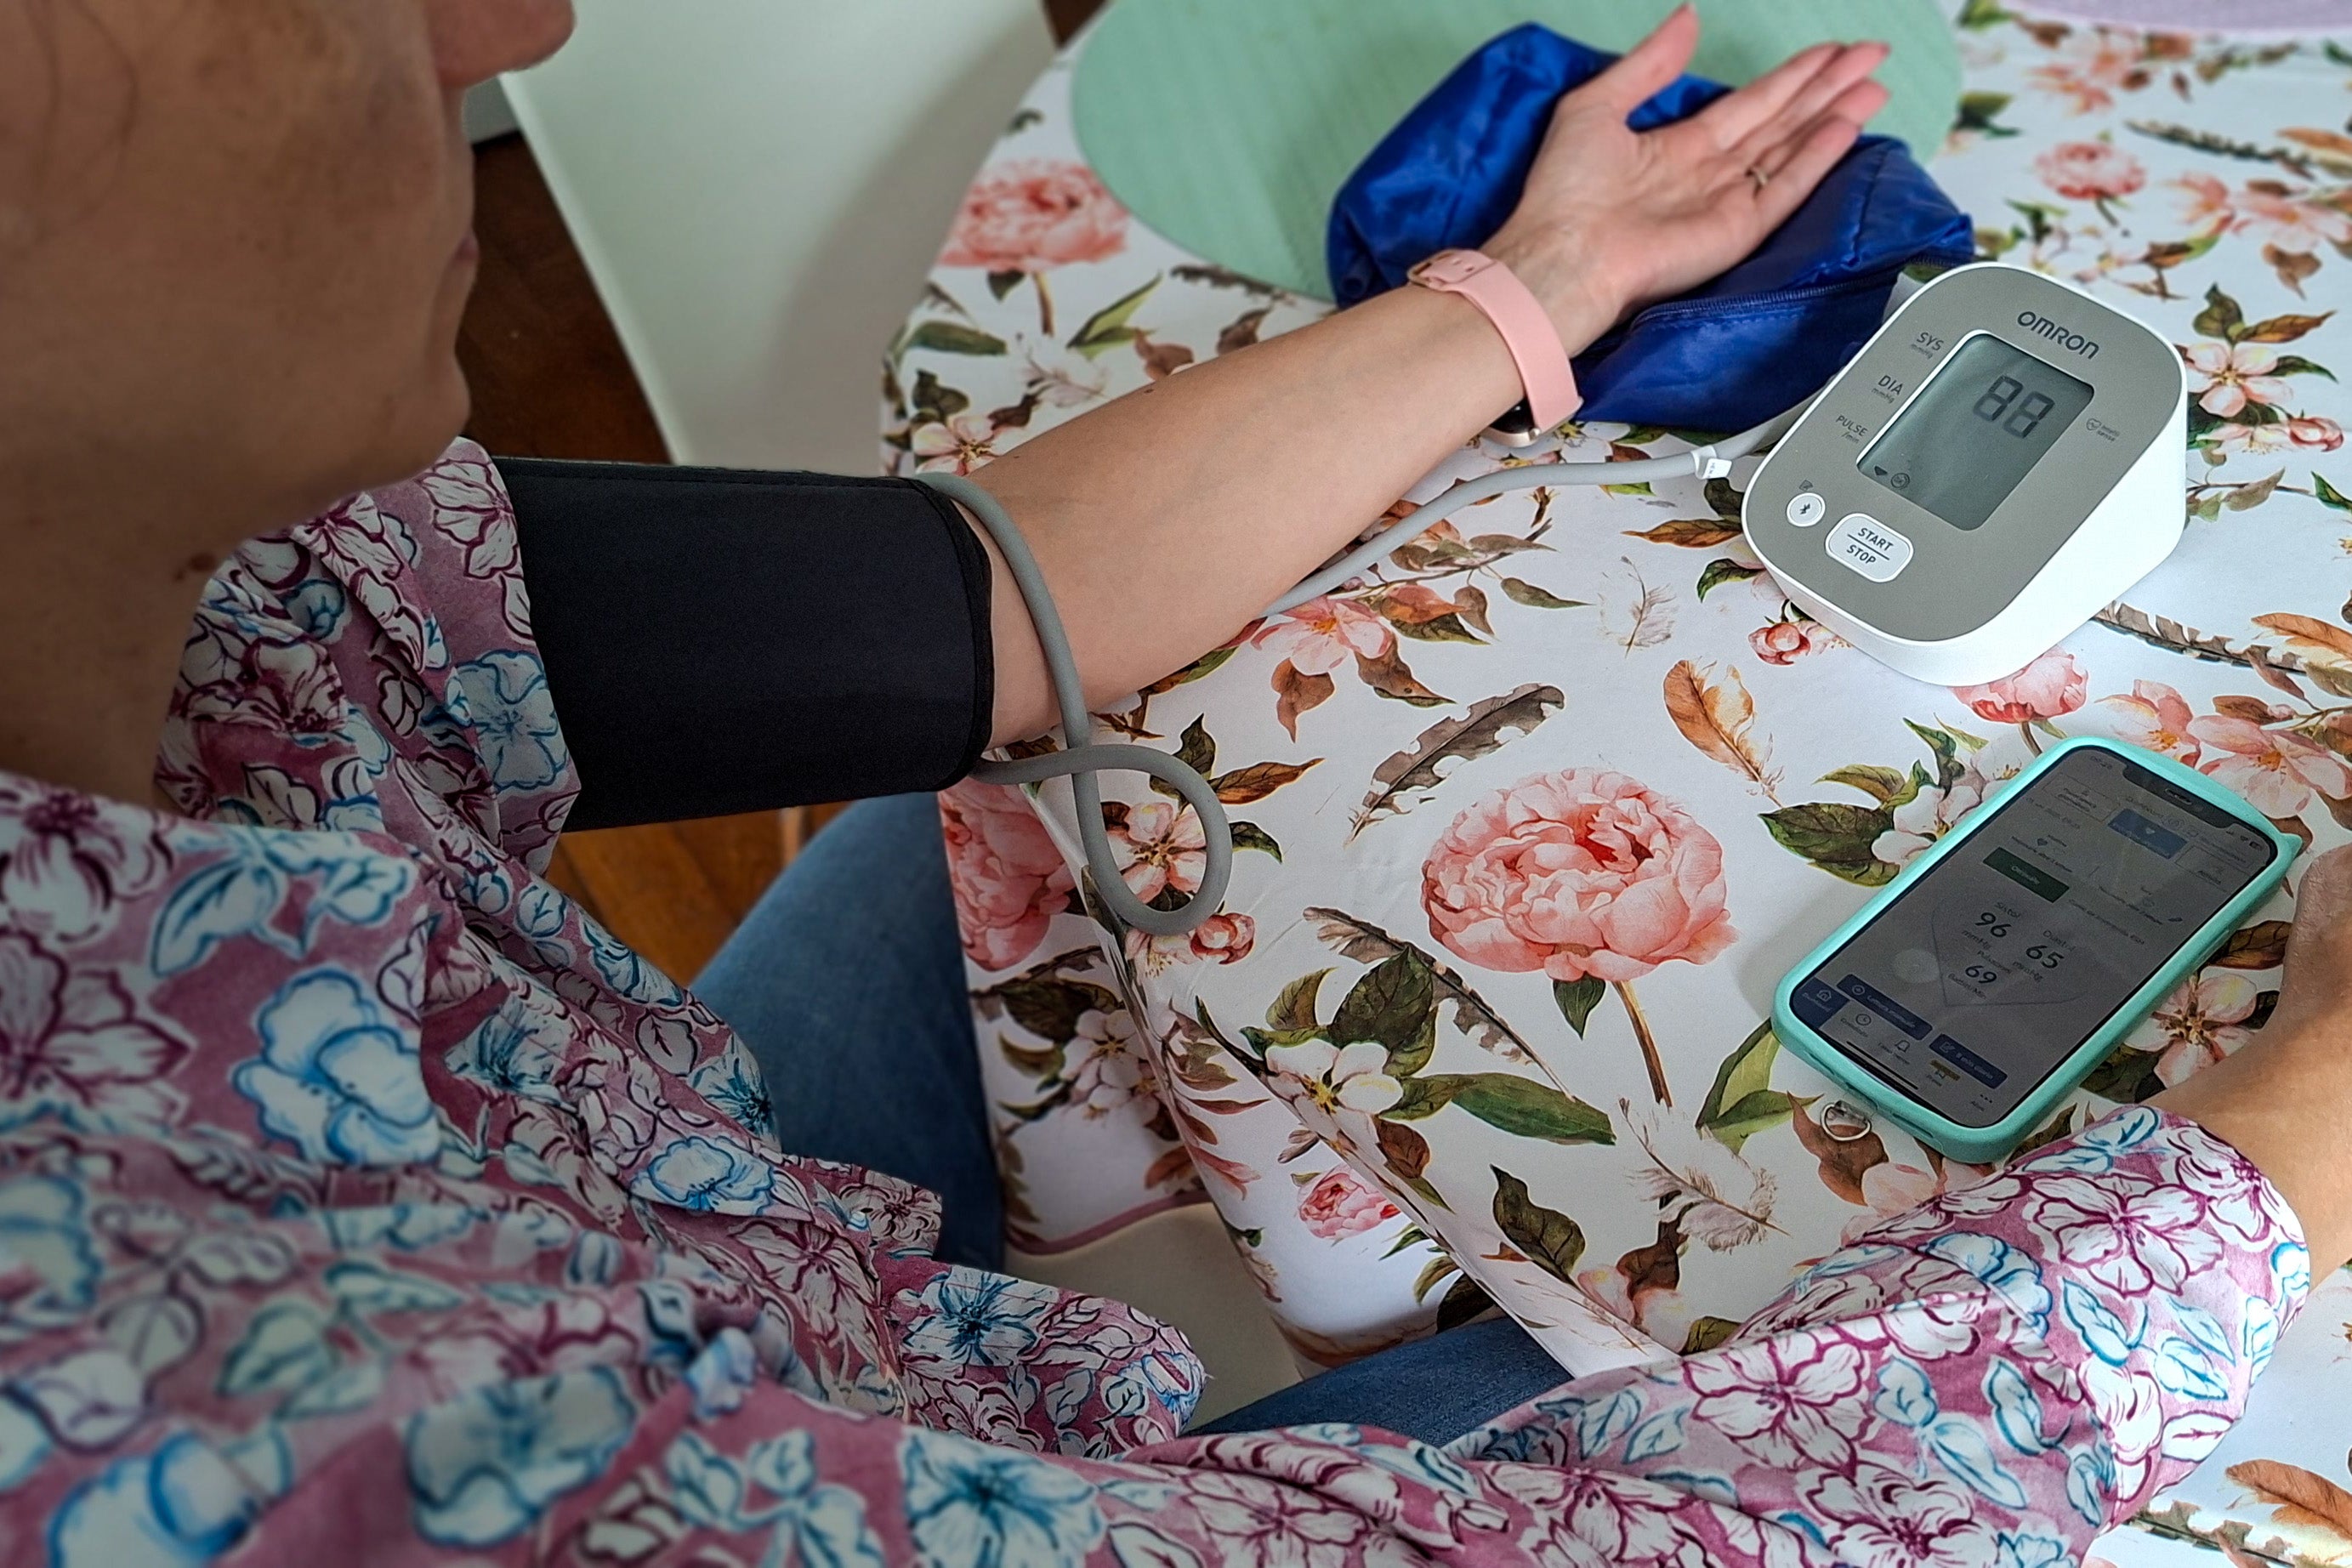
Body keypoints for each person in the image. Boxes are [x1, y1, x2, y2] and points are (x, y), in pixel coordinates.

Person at [0, 0, 2343, 1562]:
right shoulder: (179, 1420)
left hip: (643, 1186)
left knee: (998, 850)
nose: (518, 22)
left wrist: (1522, 293)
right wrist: (2299, 1123)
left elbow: (971, 598)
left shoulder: (253, 562)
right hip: (869, 1426)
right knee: (1768, 1313)